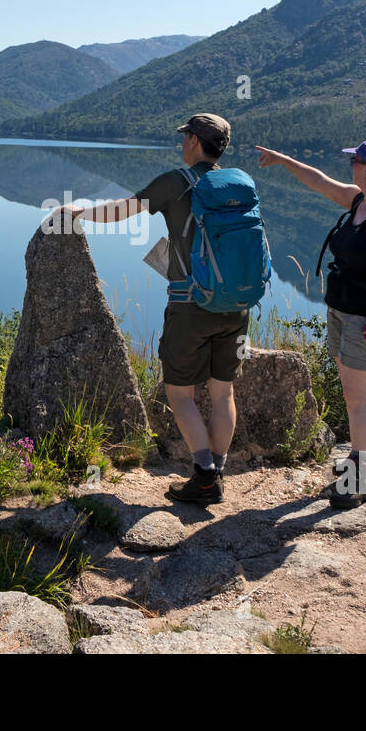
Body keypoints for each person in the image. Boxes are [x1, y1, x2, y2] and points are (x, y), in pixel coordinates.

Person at [54, 114, 245, 505]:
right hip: (237, 305)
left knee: (180, 394)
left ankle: (205, 477)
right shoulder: (239, 183)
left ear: (193, 141)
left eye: (186, 137)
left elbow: (123, 210)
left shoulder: (176, 182)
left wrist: (80, 213)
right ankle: (218, 471)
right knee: (223, 391)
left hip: (190, 306)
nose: (183, 143)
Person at [255, 138, 366, 507]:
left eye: (356, 161)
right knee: (354, 390)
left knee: (356, 394)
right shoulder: (360, 201)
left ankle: (357, 477)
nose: (351, 166)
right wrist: (283, 157)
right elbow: (318, 181)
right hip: (342, 310)